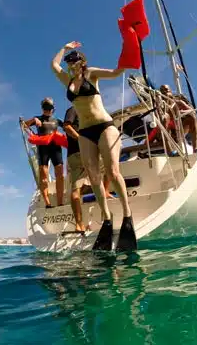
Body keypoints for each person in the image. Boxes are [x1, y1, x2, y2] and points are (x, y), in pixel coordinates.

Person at [51, 41, 136, 251]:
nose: (71, 62)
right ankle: (107, 217)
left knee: (113, 171)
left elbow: (116, 73)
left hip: (105, 126)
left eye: (75, 58)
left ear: (82, 61)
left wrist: (127, 58)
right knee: (94, 176)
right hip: (85, 132)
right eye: (69, 60)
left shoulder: (91, 73)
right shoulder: (68, 80)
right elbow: (54, 65)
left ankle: (127, 214)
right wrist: (64, 47)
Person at [63, 105, 113, 232]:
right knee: (108, 165)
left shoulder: (86, 115)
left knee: (76, 188)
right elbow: (67, 126)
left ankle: (79, 224)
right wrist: (81, 139)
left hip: (79, 153)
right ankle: (105, 192)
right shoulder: (75, 109)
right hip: (80, 153)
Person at [22, 98, 65, 208]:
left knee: (60, 174)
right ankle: (47, 203)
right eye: (46, 108)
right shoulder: (38, 118)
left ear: (53, 109)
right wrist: (33, 120)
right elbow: (23, 125)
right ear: (42, 108)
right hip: (43, 148)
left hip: (55, 148)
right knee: (44, 176)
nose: (48, 110)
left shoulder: (57, 120)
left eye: (50, 108)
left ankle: (60, 202)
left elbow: (68, 127)